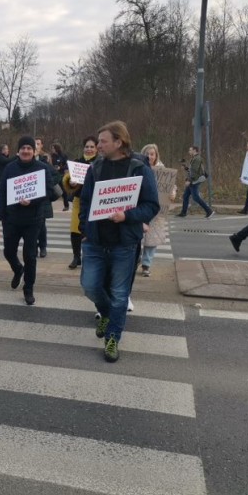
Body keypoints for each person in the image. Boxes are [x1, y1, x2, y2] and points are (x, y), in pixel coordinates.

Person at [79, 121, 160, 363]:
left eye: (103, 141)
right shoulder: (95, 168)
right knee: (90, 286)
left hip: (124, 243)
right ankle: (105, 314)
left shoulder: (139, 168)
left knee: (119, 294)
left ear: (119, 142)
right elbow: (85, 200)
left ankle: (113, 337)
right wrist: (85, 226)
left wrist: (127, 216)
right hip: (95, 241)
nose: (98, 145)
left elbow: (152, 205)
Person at [0, 135, 52, 306]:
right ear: (18, 151)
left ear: (34, 151)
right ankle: (17, 269)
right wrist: (2, 215)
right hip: (12, 219)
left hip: (33, 219)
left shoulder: (42, 168)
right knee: (8, 252)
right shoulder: (10, 168)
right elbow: (3, 192)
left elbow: (49, 192)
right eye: (23, 148)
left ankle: (28, 288)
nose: (26, 151)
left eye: (29, 148)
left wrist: (33, 201)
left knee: (30, 255)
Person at [139, 143, 176, 278]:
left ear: (156, 155)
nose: (149, 156)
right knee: (137, 236)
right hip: (141, 207)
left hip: (156, 211)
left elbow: (171, 186)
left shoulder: (162, 170)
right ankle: (136, 259)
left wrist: (172, 194)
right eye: (147, 153)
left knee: (152, 240)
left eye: (152, 154)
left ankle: (146, 264)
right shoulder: (137, 167)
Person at [63, 136, 98, 269]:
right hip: (79, 200)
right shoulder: (77, 162)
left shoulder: (100, 162)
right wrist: (70, 182)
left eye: (92, 147)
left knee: (90, 231)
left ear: (96, 148)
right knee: (75, 230)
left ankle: (89, 257)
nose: (89, 149)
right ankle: (76, 257)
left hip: (94, 202)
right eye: (87, 147)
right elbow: (66, 179)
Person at [176, 145, 214, 219]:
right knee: (185, 196)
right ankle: (183, 212)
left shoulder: (197, 159)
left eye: (190, 150)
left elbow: (194, 172)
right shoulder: (194, 158)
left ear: (194, 150)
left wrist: (189, 180)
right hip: (193, 179)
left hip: (195, 180)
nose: (189, 151)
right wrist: (186, 168)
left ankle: (209, 211)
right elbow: (191, 170)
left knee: (195, 197)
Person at [0, 143, 13, 215]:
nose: (8, 150)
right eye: (6, 149)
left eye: (7, 149)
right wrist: (17, 156)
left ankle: (0, 211)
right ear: (2, 150)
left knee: (1, 196)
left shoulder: (3, 157)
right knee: (0, 196)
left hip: (1, 179)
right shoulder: (0, 157)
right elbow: (7, 161)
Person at [51, 142, 70, 211]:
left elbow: (67, 165)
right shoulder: (52, 156)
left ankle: (66, 205)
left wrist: (60, 168)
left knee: (63, 190)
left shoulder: (63, 156)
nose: (52, 149)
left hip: (61, 175)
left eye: (53, 148)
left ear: (56, 148)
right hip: (54, 175)